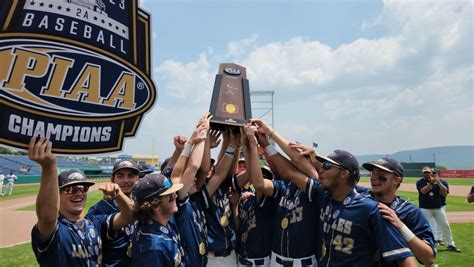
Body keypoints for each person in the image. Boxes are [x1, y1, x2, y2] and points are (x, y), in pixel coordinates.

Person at [256, 126, 417, 266]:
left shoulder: (371, 209)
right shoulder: (324, 195)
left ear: (344, 174)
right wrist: (265, 143)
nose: (321, 170)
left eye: (327, 166)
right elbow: (290, 171)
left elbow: (405, 258)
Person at [28, 137, 135, 266]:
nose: (78, 193)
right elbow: (47, 217)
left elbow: (131, 214)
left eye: (83, 188)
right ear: (58, 194)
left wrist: (118, 194)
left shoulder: (95, 223)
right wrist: (49, 166)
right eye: (70, 189)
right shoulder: (55, 230)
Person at [363, 158, 436, 266]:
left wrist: (400, 226)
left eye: (380, 174)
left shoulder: (410, 213)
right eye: (372, 173)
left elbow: (428, 259)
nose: (374, 178)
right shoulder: (360, 202)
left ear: (396, 180)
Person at [87, 159, 140, 266]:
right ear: (113, 180)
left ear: (137, 179)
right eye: (120, 176)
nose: (126, 180)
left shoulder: (141, 203)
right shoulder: (99, 209)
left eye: (130, 176)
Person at [132, 173, 185, 266]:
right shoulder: (152, 246)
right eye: (170, 196)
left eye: (174, 193)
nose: (175, 197)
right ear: (155, 205)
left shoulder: (164, 224)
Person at [416, 167, 461, 252]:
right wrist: (431, 183)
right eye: (425, 173)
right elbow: (423, 191)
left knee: (445, 226)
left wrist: (438, 182)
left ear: (431, 173)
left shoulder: (439, 182)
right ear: (422, 173)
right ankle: (423, 245)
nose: (426, 174)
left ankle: (450, 244)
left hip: (438, 208)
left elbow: (444, 192)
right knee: (423, 227)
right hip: (425, 208)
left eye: (428, 172)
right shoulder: (420, 182)